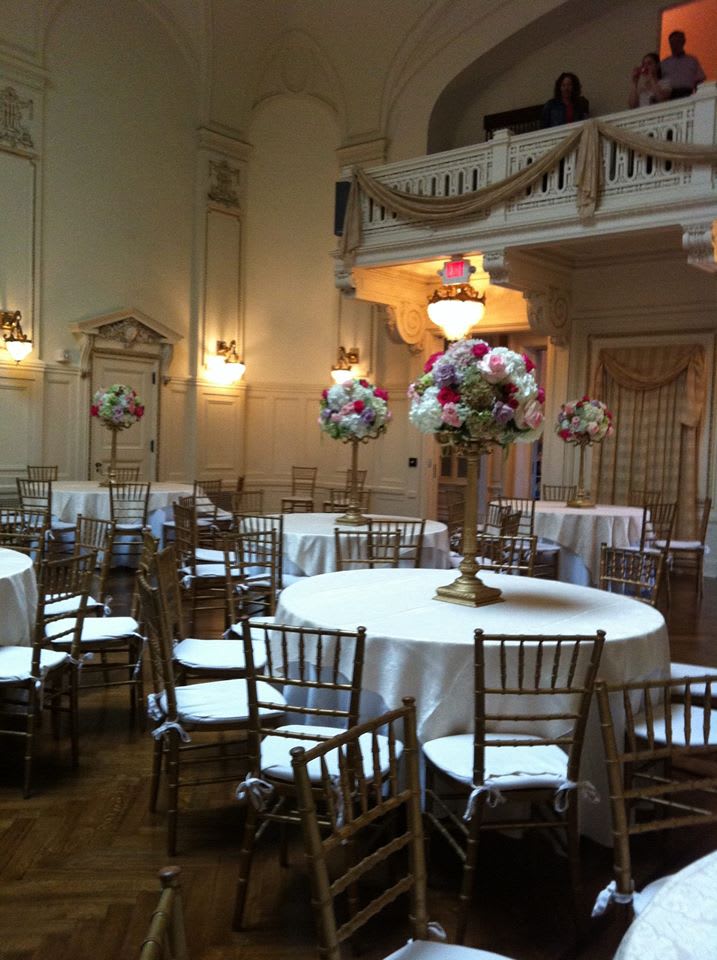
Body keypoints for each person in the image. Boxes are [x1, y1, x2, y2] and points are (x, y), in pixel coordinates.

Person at [660, 30, 705, 98]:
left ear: (683, 42)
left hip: (686, 94)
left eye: (677, 42)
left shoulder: (692, 61)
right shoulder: (664, 63)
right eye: (672, 43)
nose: (674, 45)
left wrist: (698, 96)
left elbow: (699, 80)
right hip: (668, 96)